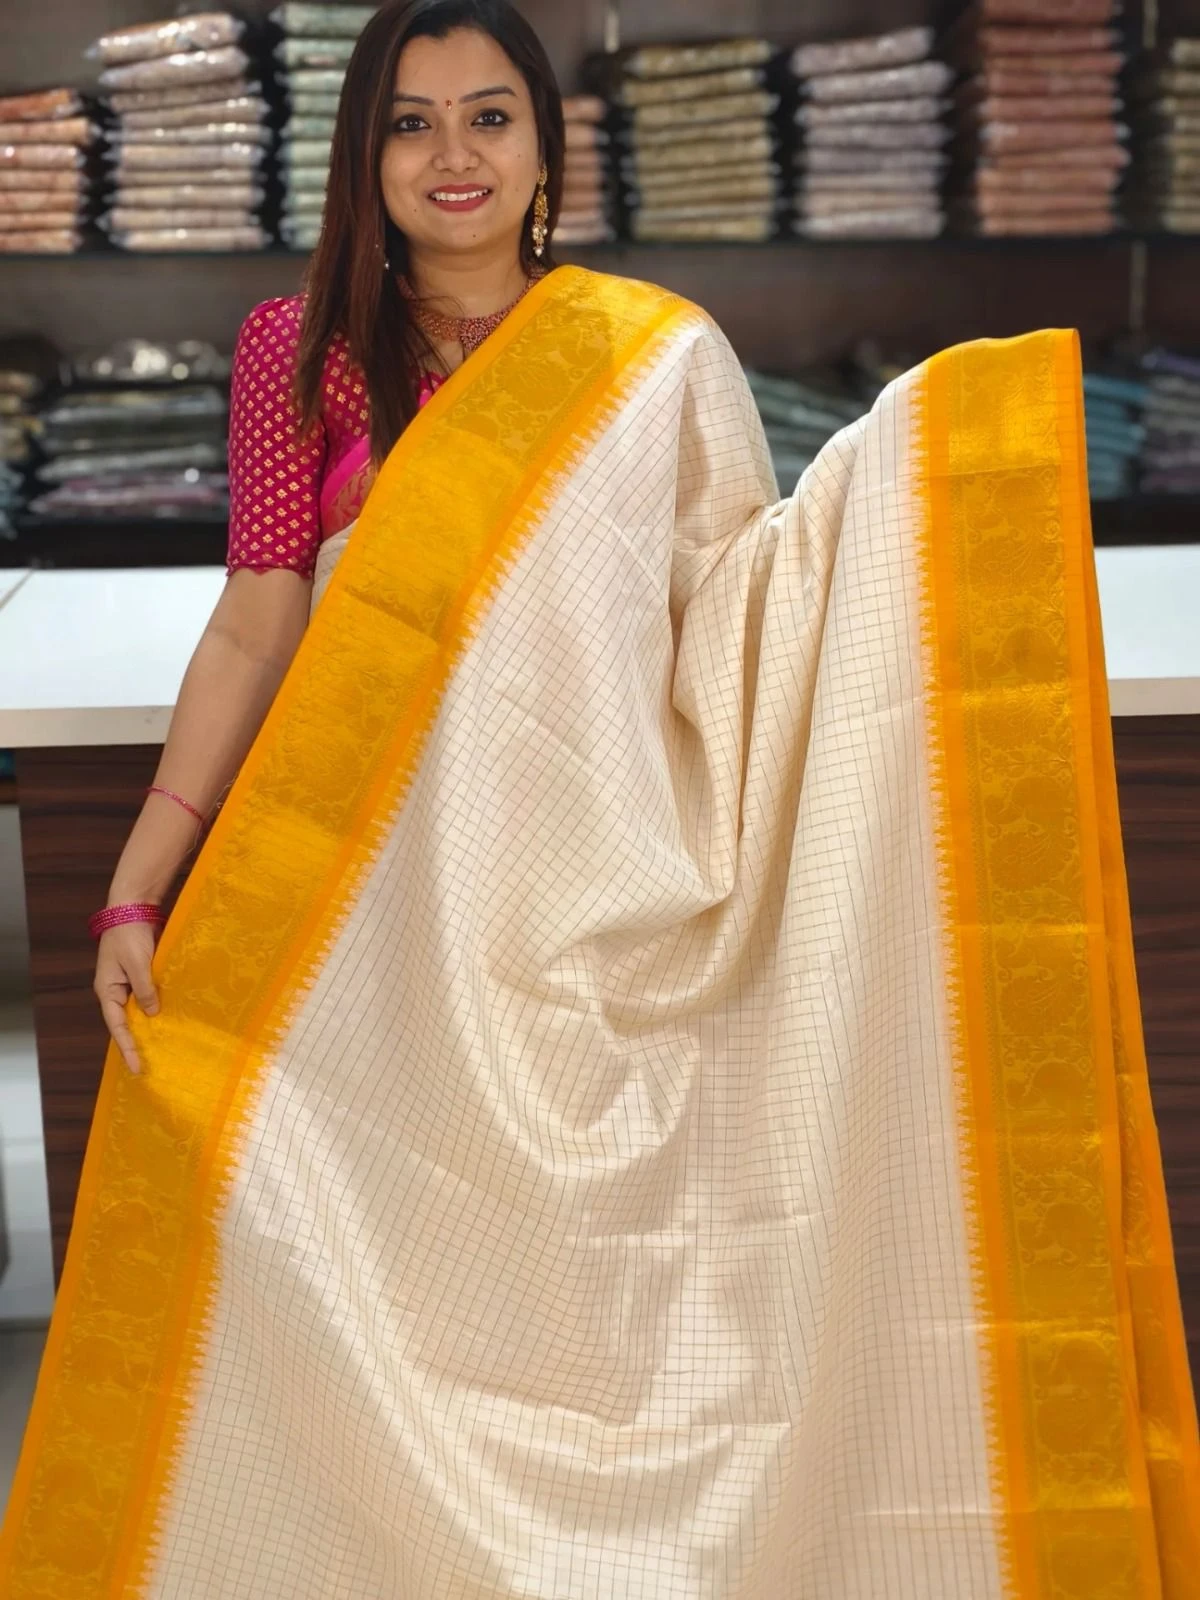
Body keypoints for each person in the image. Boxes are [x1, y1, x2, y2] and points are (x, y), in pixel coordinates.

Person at [2, 2, 1197, 1596]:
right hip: (379, 899)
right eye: (411, 121)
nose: (453, 155)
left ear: (546, 146)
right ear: (362, 154)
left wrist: (928, 465)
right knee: (305, 1201)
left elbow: (735, 623)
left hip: (595, 866)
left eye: (490, 115)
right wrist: (143, 879)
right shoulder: (304, 349)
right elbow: (259, 614)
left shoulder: (654, 354)